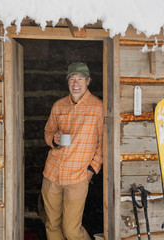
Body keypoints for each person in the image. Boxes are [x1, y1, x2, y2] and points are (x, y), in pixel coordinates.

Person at [41, 62, 103, 240]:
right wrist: (54, 139)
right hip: (52, 173)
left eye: (80, 79)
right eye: (72, 79)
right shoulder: (59, 105)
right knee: (52, 225)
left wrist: (92, 170)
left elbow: (103, 144)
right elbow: (48, 132)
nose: (76, 83)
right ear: (68, 82)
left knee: (71, 230)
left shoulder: (98, 108)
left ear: (88, 81)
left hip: (77, 177)